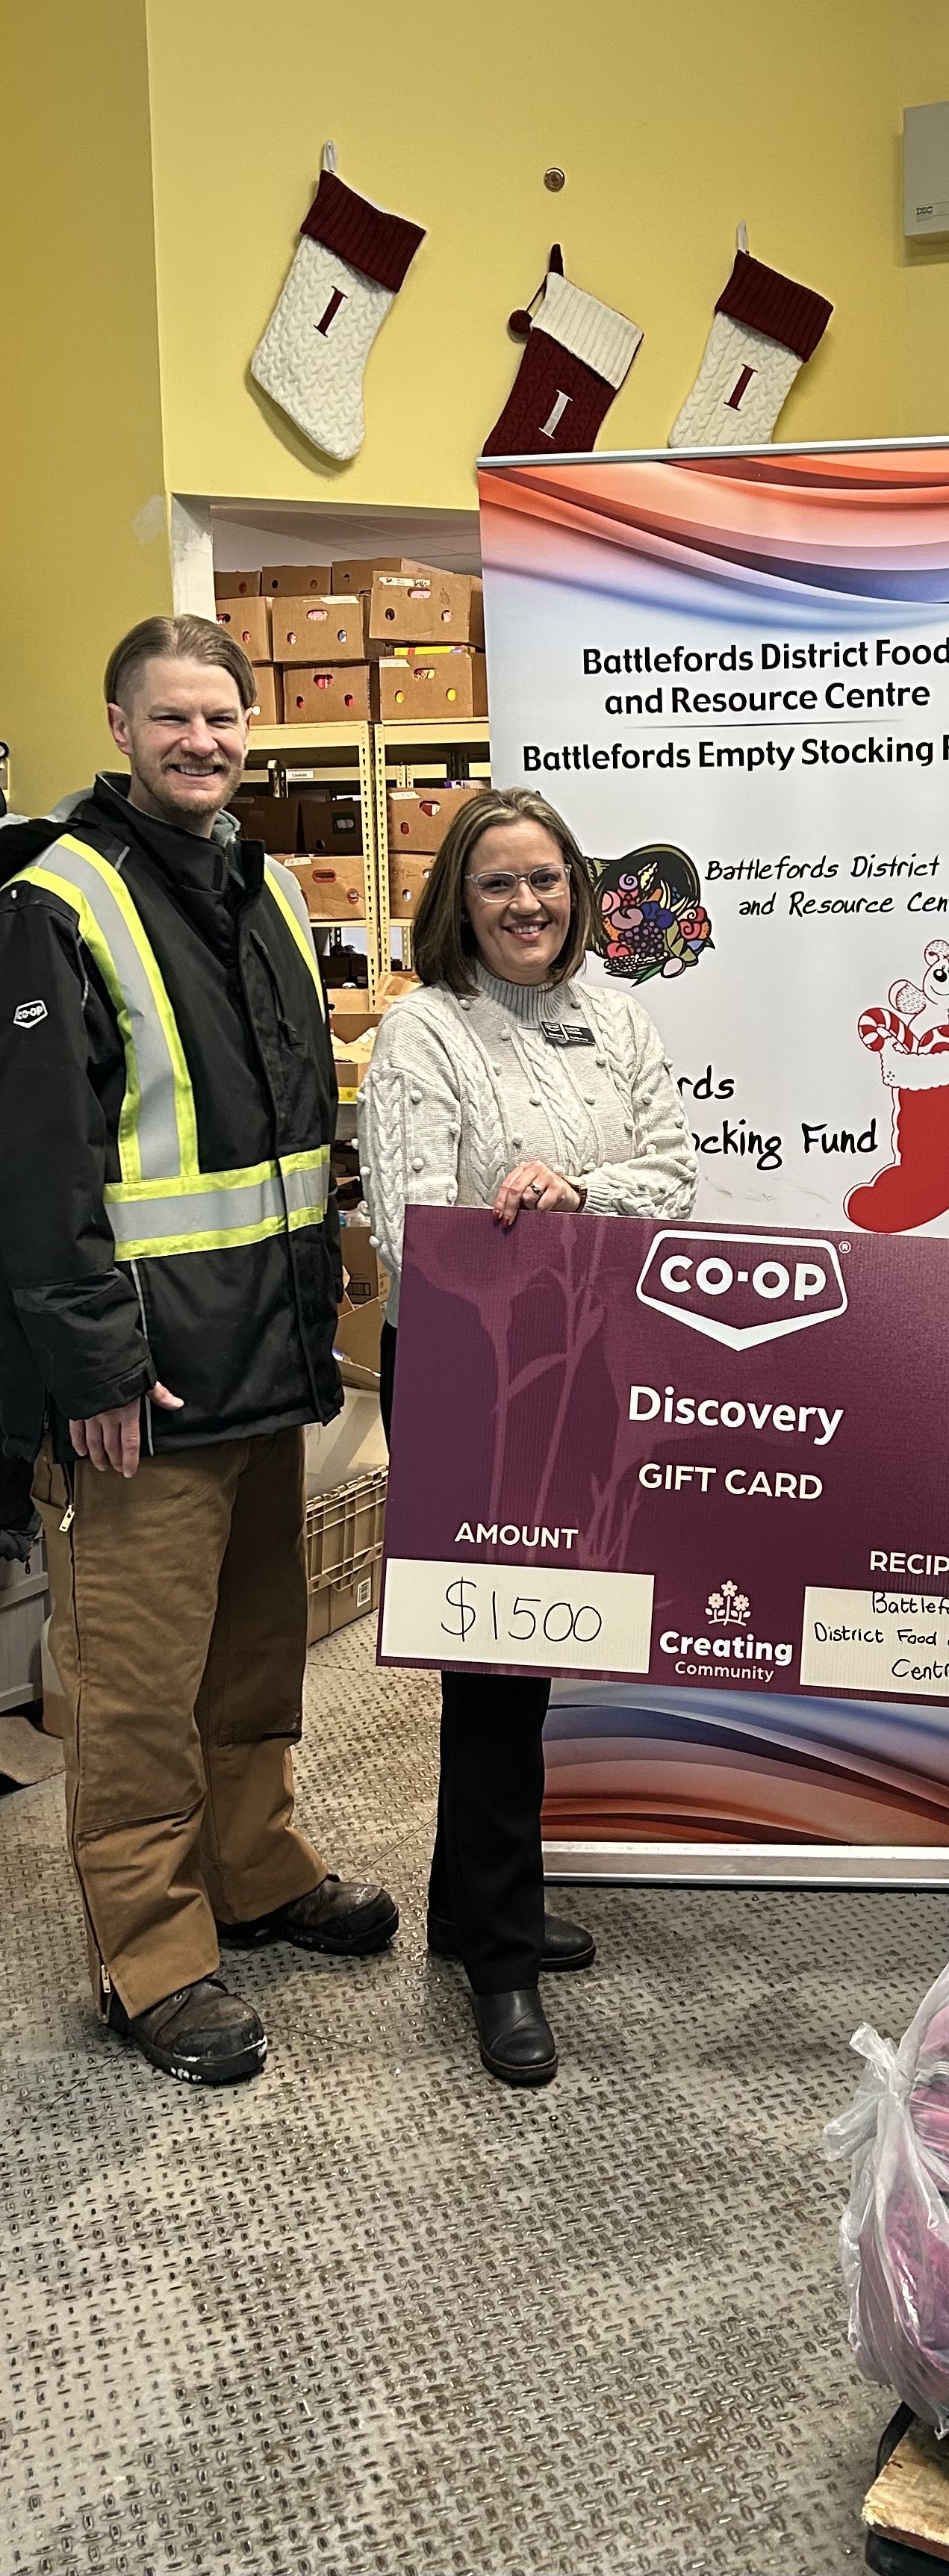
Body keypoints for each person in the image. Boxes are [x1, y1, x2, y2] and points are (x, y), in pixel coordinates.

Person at [0, 616, 396, 2087]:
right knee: (137, 1677)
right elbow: (39, 1168)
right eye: (171, 720)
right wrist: (94, 1366)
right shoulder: (57, 904)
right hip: (147, 1386)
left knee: (252, 1651)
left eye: (221, 721)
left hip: (266, 1355)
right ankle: (150, 1952)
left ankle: (256, 1865)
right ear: (119, 728)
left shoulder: (268, 887)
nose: (202, 744)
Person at [358, 786, 695, 2087]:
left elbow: (671, 1177)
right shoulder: (421, 1035)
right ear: (461, 898)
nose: (527, 904)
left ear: (579, 889)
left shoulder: (620, 1018)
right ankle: (499, 1961)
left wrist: (576, 1197)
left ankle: (467, 1904)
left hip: (594, 1358)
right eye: (498, 882)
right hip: (470, 1373)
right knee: (492, 1662)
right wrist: (523, 1236)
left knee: (542, 1641)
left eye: (546, 878)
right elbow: (409, 1231)